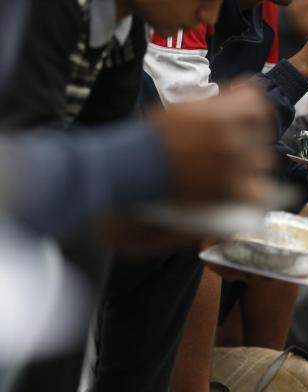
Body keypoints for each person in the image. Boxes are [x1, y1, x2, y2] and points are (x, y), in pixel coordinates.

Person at [90, 1, 308, 391]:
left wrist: (305, 180)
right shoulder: (176, 10)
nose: (211, 19)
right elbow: (196, 147)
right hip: (118, 251)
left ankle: (258, 370)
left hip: (151, 214)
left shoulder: (265, 14)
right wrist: (306, 68)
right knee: (197, 234)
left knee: (291, 220)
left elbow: (252, 141)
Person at [0, 1, 279, 391]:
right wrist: (152, 156)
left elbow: (106, 144)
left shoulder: (125, 31)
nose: (211, 17)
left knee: (183, 246)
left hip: (49, 209)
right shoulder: (48, 12)